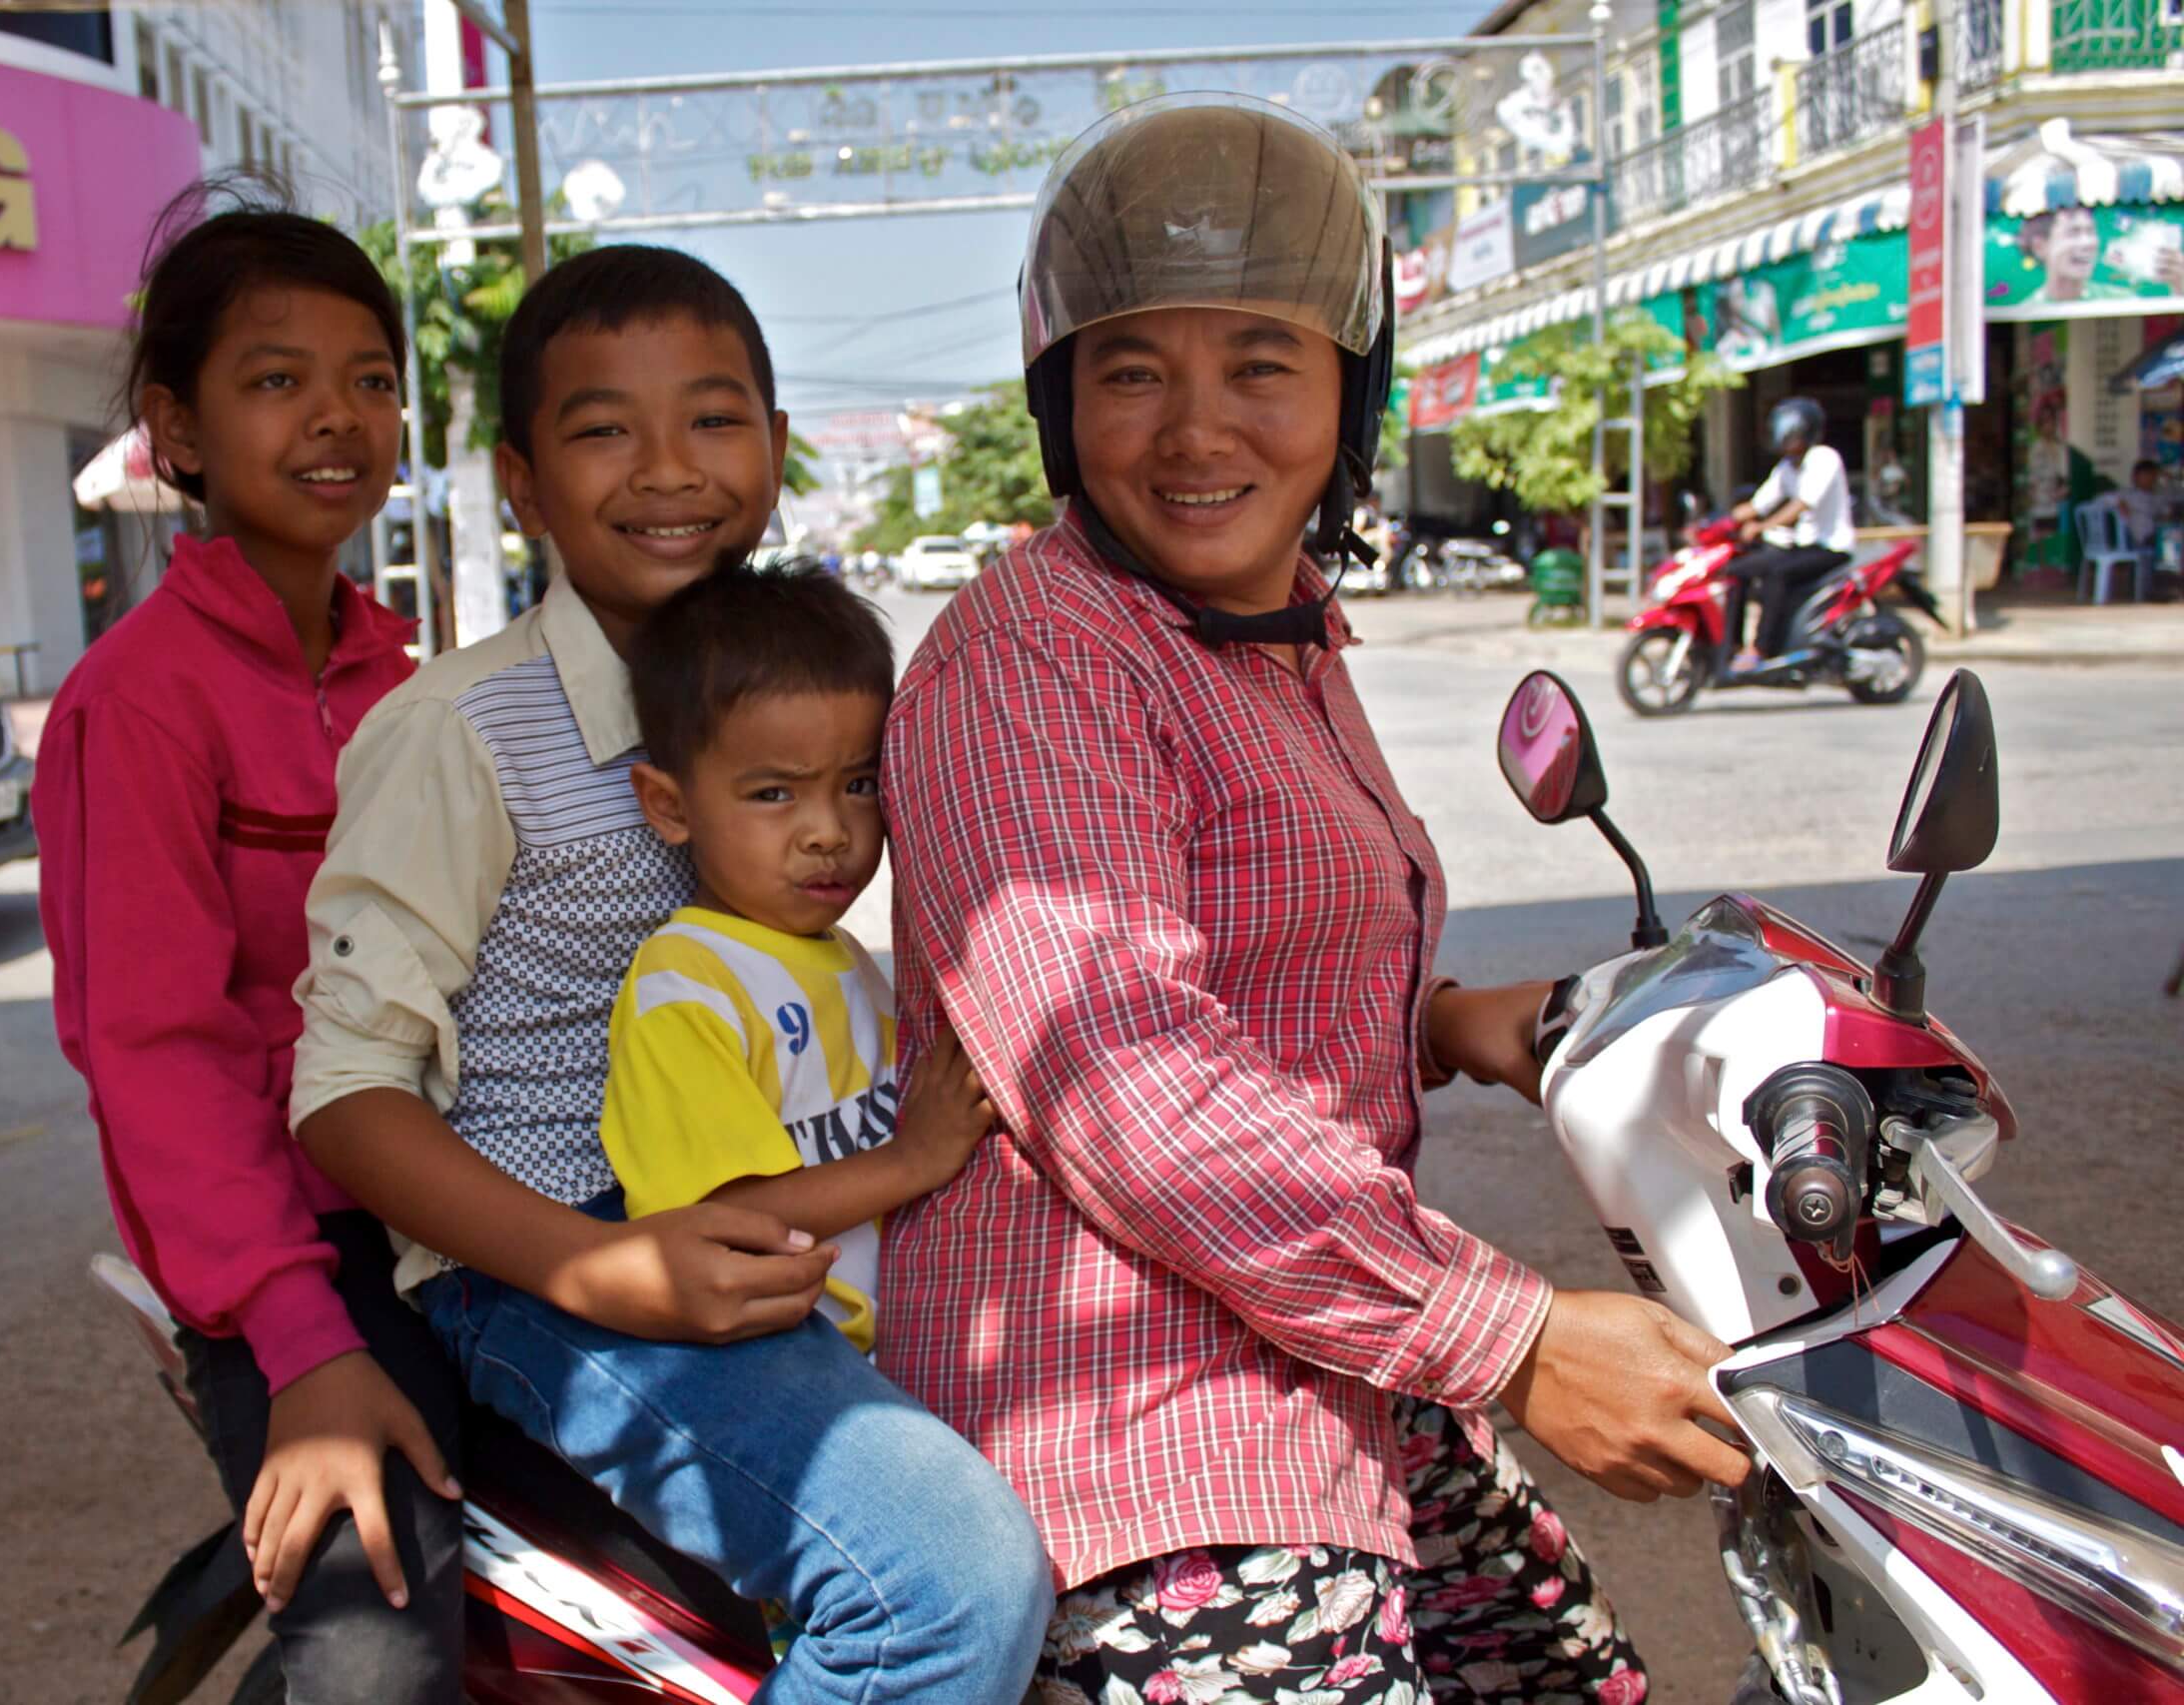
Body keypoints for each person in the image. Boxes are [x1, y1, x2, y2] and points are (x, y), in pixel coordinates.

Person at [878, 94, 1748, 1705]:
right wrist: (1516, 1338)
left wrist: (1453, 1020)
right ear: (1065, 407)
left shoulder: (1269, 631)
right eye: (1132, 372)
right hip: (1143, 1426)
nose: (1197, 431)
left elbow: (1229, 958)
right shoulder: (1031, 658)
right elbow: (1123, 1067)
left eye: (1259, 365)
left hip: (1333, 1364)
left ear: (1350, 392)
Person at [285, 244, 1054, 1704]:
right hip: (550, 1256)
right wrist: (595, 1265)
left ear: (774, 443)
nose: (668, 469)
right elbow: (344, 1088)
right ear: (519, 480)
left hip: (786, 1194)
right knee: (948, 1580)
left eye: (713, 418)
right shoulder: (462, 729)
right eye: (600, 430)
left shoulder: (821, 679)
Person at [34, 195, 464, 1701]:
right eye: (277, 379)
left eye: (368, 376)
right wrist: (304, 1343)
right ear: (180, 428)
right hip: (295, 1249)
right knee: (382, 1640)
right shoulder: (136, 701)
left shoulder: (409, 672)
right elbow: (153, 1052)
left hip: (458, 1196)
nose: (338, 416)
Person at [602, 563, 996, 1357]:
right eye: (775, 794)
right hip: (781, 1359)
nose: (828, 831)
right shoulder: (688, 985)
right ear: (669, 806)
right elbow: (736, 1221)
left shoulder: (845, 956)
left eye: (858, 783)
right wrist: (915, 1156)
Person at [1729, 397, 1854, 668]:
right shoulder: (1786, 468)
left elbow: (1801, 505)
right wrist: (1719, 524)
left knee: (1777, 573)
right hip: (1801, 547)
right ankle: (1731, 645)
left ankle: (1762, 649)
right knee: (1737, 570)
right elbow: (1757, 505)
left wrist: (1761, 527)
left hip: (1830, 548)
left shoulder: (1824, 459)